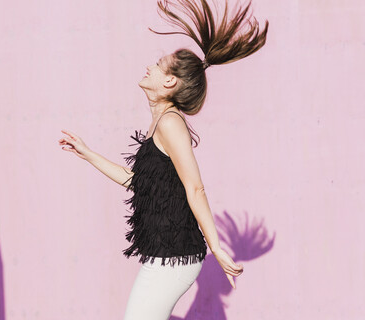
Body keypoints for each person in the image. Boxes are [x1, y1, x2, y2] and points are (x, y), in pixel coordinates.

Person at [58, 0, 268, 318]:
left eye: (157, 64)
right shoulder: (160, 122)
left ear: (169, 82)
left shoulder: (170, 123)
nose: (149, 67)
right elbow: (138, 181)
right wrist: (88, 154)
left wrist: (216, 247)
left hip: (177, 255)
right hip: (164, 253)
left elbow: (195, 188)